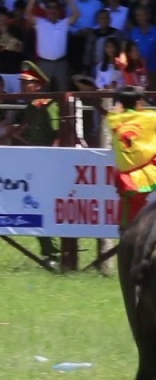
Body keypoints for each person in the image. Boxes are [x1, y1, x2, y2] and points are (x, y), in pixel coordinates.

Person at [11, 60, 61, 270]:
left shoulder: (50, 105)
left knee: (52, 208)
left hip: (50, 165)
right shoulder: (29, 108)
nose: (23, 86)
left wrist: (52, 159)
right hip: (34, 165)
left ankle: (60, 253)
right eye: (22, 82)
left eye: (27, 83)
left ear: (38, 85)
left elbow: (60, 134)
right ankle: (50, 252)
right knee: (35, 207)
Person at [107, 85, 156, 230]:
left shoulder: (113, 119)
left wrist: (123, 99)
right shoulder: (148, 117)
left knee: (128, 217)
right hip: (148, 170)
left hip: (128, 177)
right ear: (139, 103)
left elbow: (116, 109)